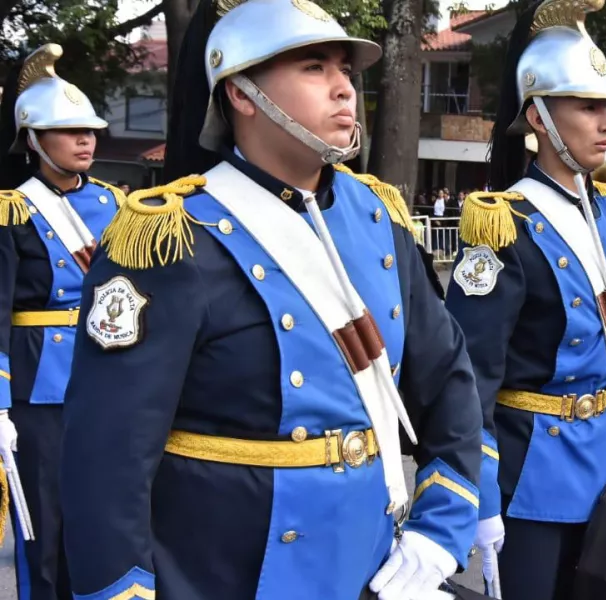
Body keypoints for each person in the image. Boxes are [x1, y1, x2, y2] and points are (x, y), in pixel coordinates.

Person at [59, 1, 482, 599]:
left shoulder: (377, 220)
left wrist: (442, 527)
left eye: (345, 68)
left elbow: (448, 386)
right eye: (314, 67)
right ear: (241, 93)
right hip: (224, 575)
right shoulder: (168, 241)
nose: (344, 87)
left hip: (374, 567)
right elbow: (108, 459)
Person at [444, 2, 606, 598]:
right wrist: (479, 492)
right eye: (588, 106)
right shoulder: (502, 224)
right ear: (539, 116)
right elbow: (469, 377)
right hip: (531, 476)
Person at [0, 43, 122, 600]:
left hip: (105, 374)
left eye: (90, 129)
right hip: (39, 384)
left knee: (99, 515)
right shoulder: (13, 210)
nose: (86, 140)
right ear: (33, 139)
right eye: (69, 130)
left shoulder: (120, 206)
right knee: (43, 523)